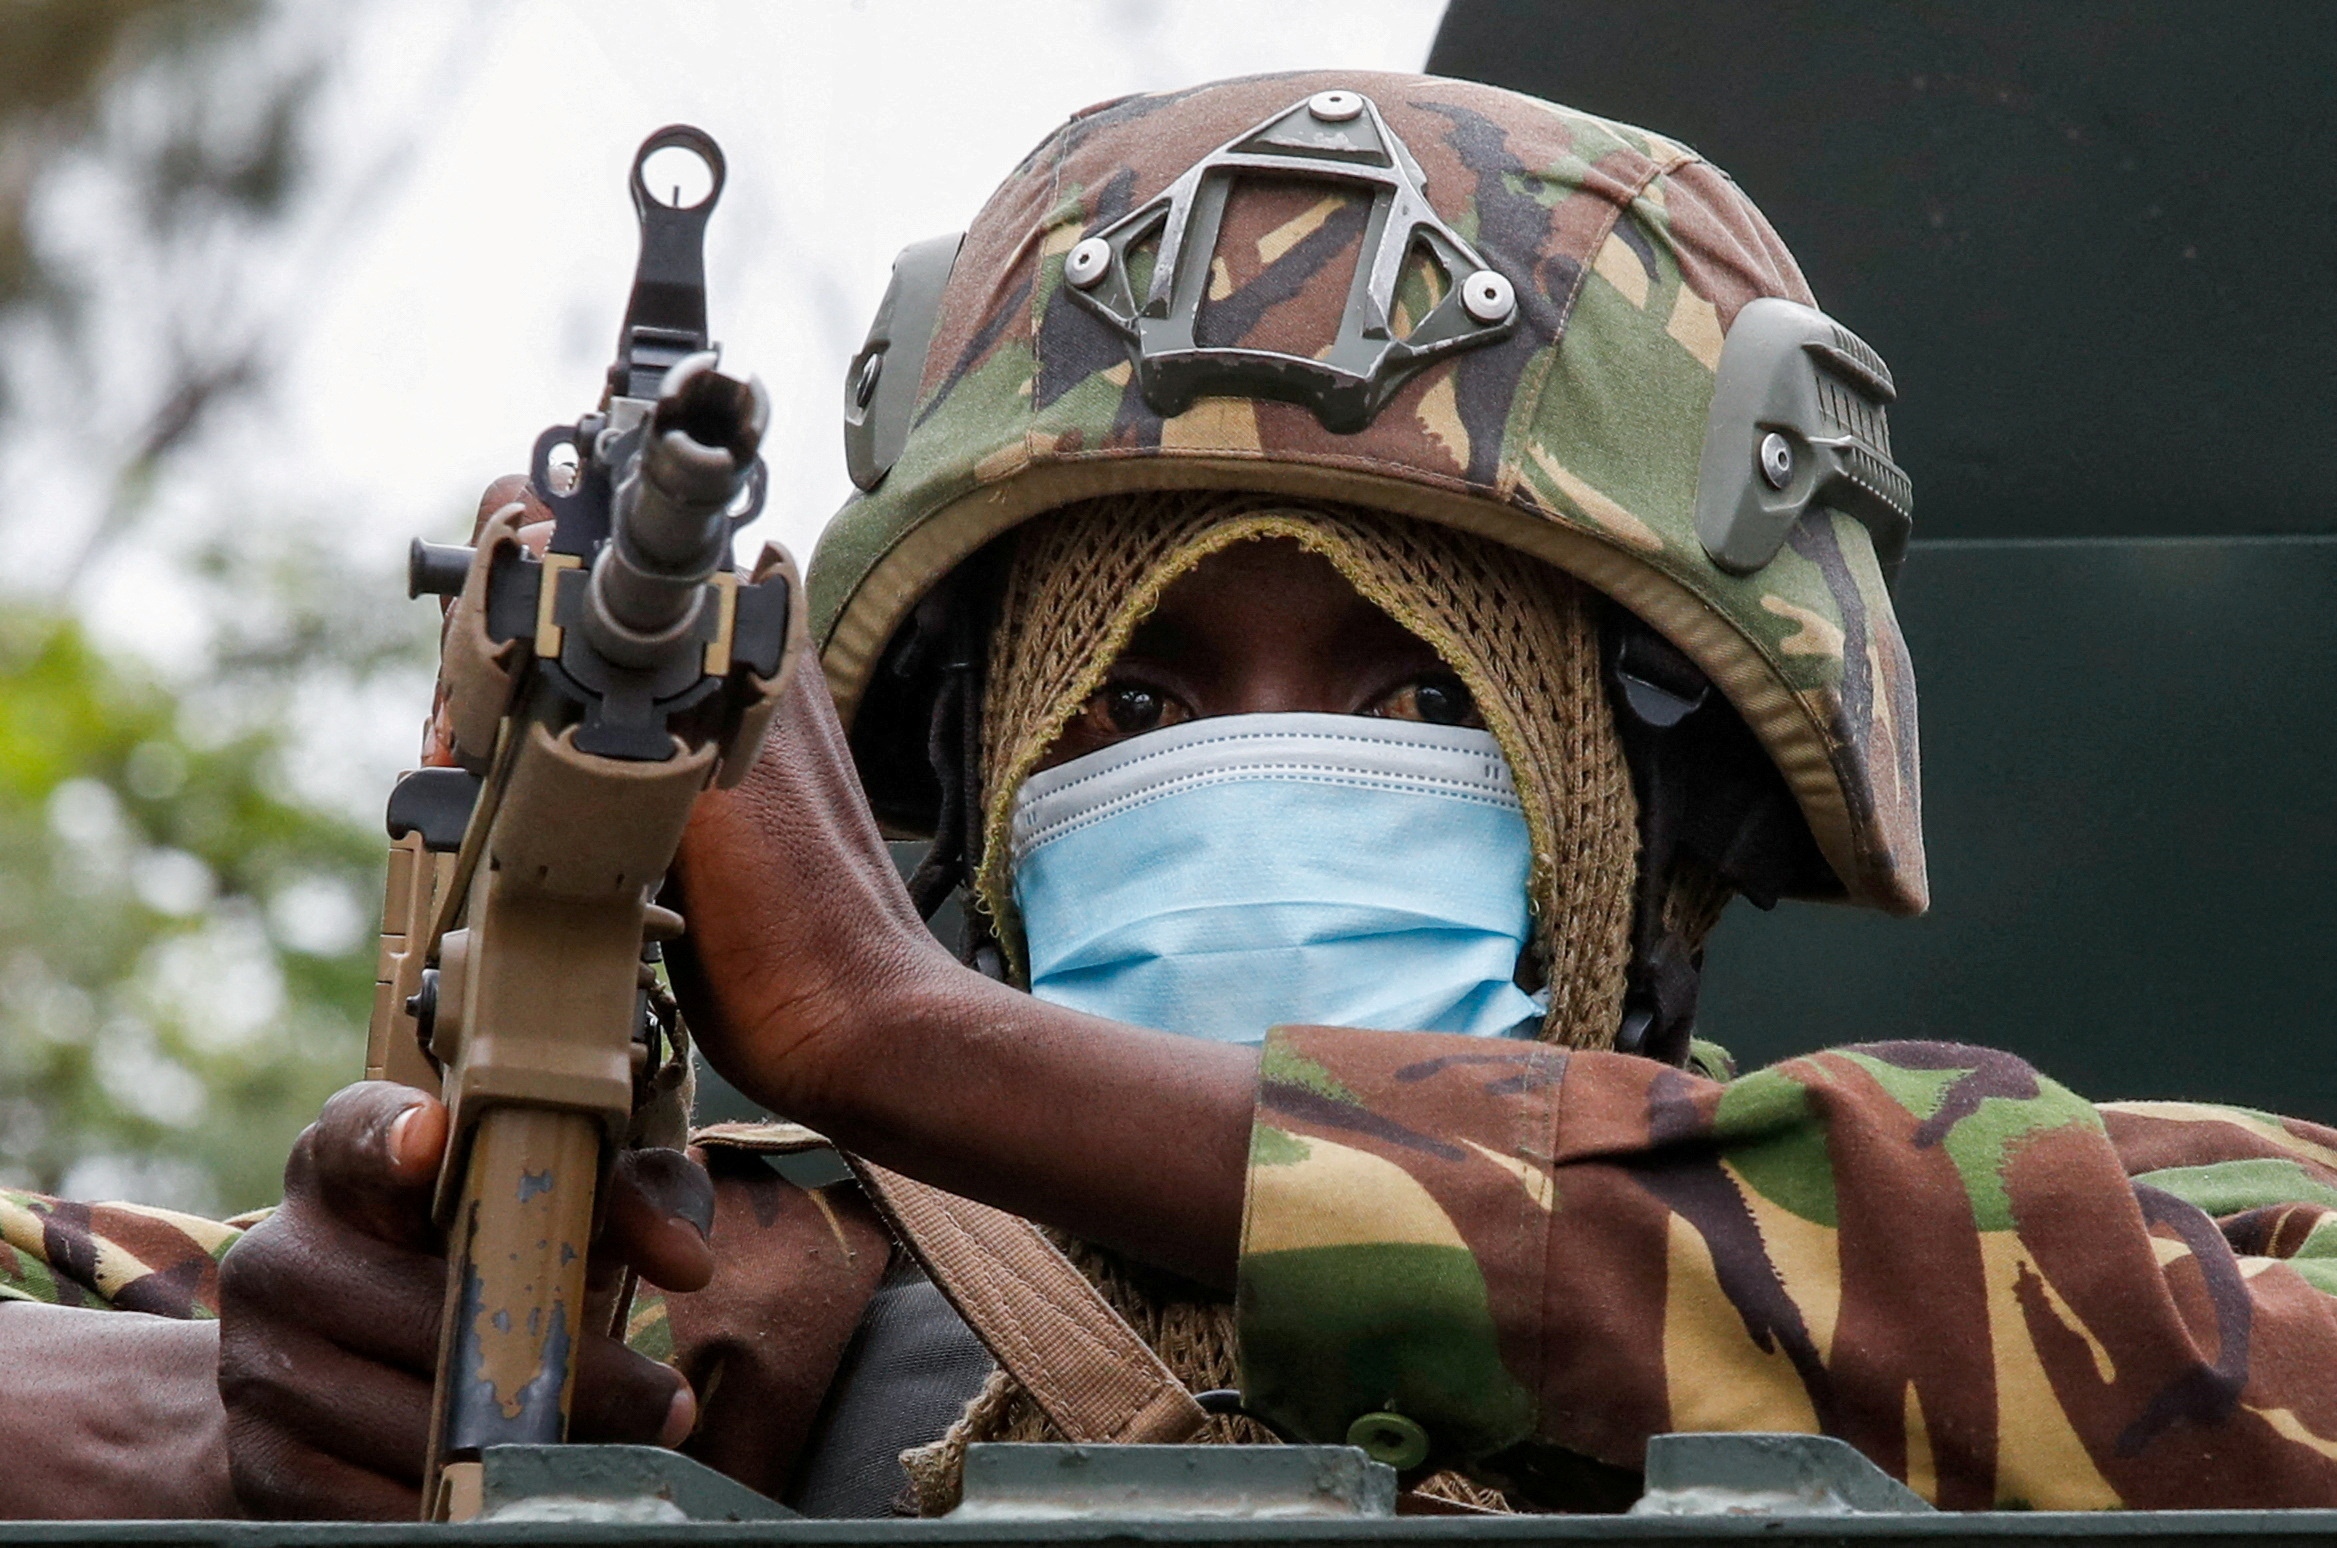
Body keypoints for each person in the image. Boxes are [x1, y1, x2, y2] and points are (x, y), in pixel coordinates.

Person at [7, 69, 2337, 1520]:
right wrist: (247, 1420)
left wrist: (905, 1041)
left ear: (1648, 801)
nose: (1245, 761)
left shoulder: (2123, 1243)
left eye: (1418, 695)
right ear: (974, 787)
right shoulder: (715, 1287)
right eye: (1120, 710)